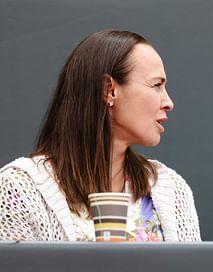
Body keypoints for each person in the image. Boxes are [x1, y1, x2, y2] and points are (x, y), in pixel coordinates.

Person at [0, 30, 200, 241]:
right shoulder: (19, 189)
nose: (168, 102)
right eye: (156, 85)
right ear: (109, 90)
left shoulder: (171, 190)